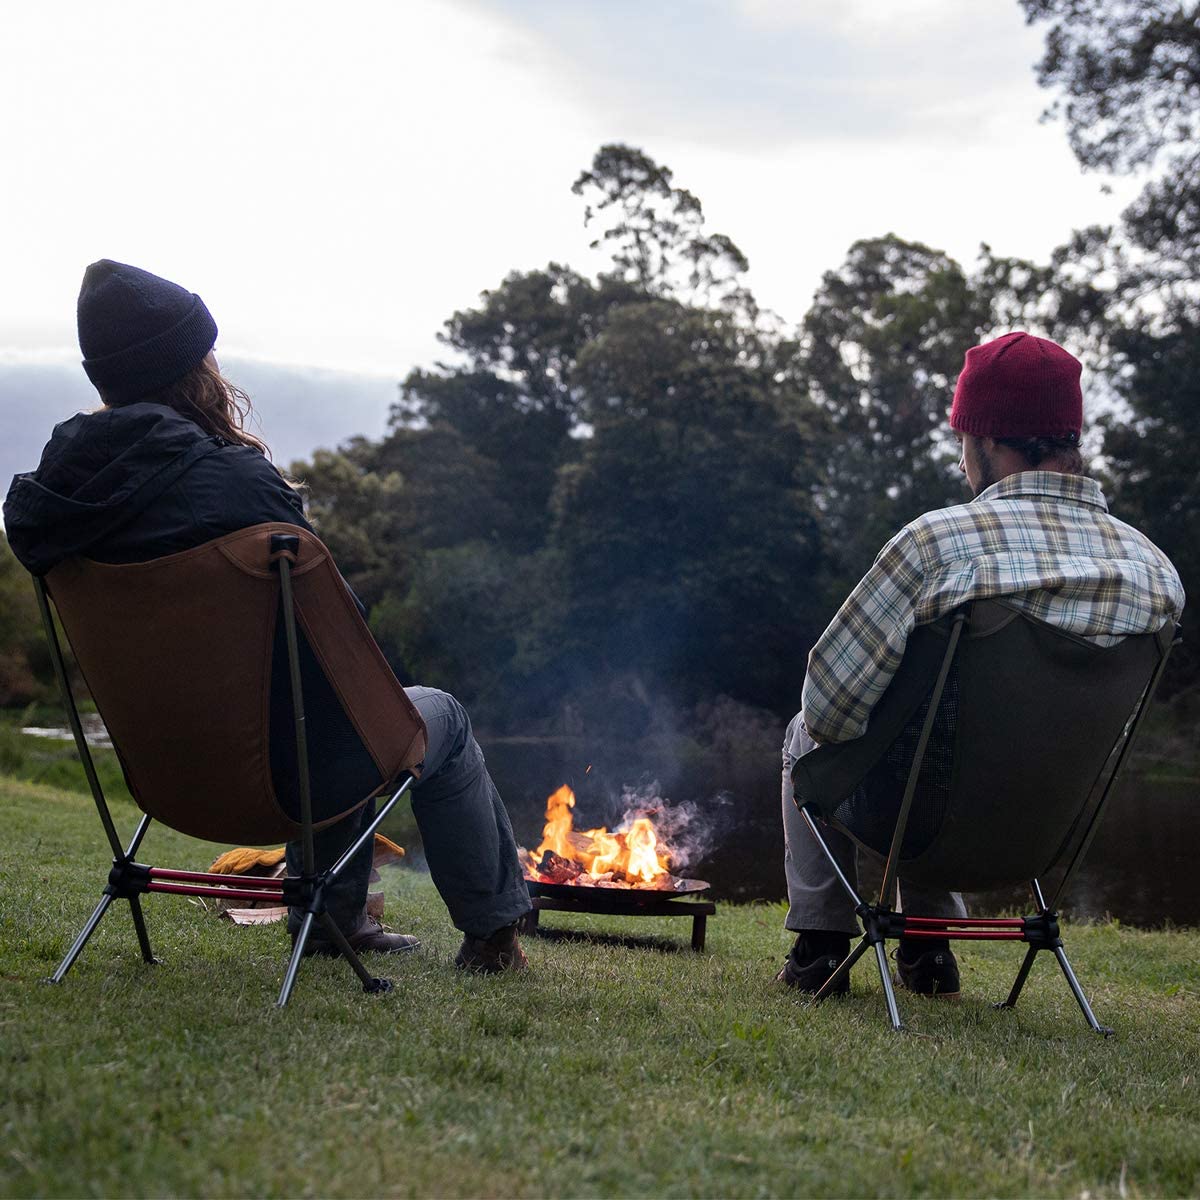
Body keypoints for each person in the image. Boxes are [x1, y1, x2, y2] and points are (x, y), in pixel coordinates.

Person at [3, 259, 532, 972]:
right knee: (422, 713)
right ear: (192, 370)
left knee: (317, 708)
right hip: (280, 779)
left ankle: (332, 925)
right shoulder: (236, 484)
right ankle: (493, 935)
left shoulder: (49, 508)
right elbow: (335, 636)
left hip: (162, 776)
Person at [778, 331, 1185, 998]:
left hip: (922, 821)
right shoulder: (1154, 574)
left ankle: (820, 946)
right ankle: (929, 948)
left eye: (963, 440)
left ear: (988, 441)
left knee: (808, 734)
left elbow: (828, 704)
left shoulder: (939, 545)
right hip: (1044, 841)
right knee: (937, 734)